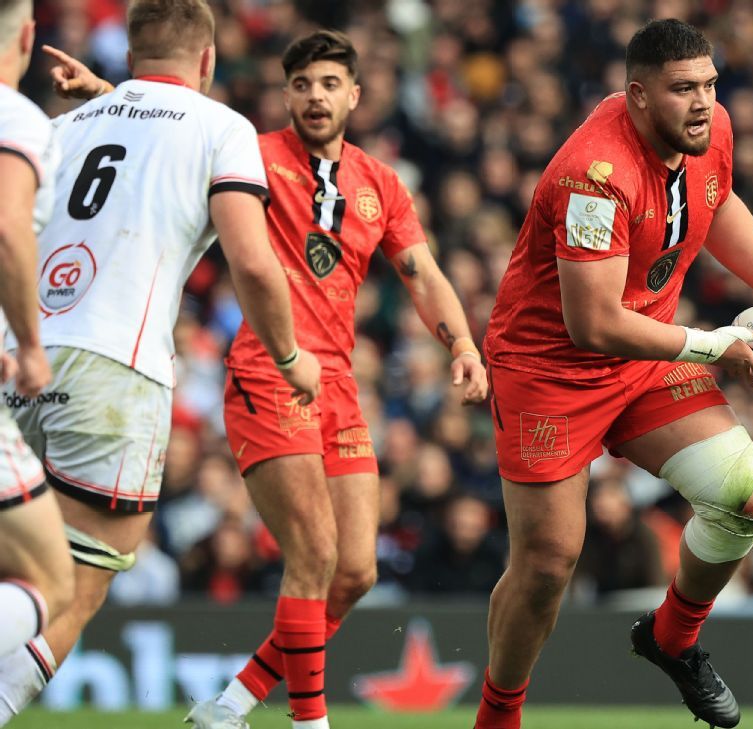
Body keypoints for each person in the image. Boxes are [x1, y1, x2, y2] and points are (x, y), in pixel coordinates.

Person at [44, 28, 490, 729]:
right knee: (312, 552)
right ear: (286, 94)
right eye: (303, 84)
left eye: (330, 83)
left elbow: (422, 273)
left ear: (356, 95)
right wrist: (105, 95)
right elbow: (172, 130)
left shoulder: (381, 184)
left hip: (338, 384)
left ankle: (231, 702)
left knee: (355, 573)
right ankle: (310, 721)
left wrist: (463, 340)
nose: (316, 96)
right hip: (266, 367)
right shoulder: (248, 150)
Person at [479, 18, 753, 729]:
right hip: (552, 371)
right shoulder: (592, 176)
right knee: (547, 565)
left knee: (746, 499)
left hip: (644, 356)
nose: (702, 103)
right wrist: (712, 345)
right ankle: (498, 716)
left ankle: (672, 637)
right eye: (682, 90)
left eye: (709, 84)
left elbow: (716, 202)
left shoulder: (709, 128)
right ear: (637, 95)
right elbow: (593, 324)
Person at [0, 0, 322, 725]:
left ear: (131, 51)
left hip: (18, 359)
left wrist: (109, 98)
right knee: (71, 585)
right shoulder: (223, 127)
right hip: (118, 368)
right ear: (207, 61)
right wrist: (291, 355)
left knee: (14, 567)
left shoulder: (59, 124)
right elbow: (253, 262)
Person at [0, 0, 71, 665]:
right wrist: (27, 343)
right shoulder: (14, 114)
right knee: (52, 577)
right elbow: (6, 226)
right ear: (26, 37)